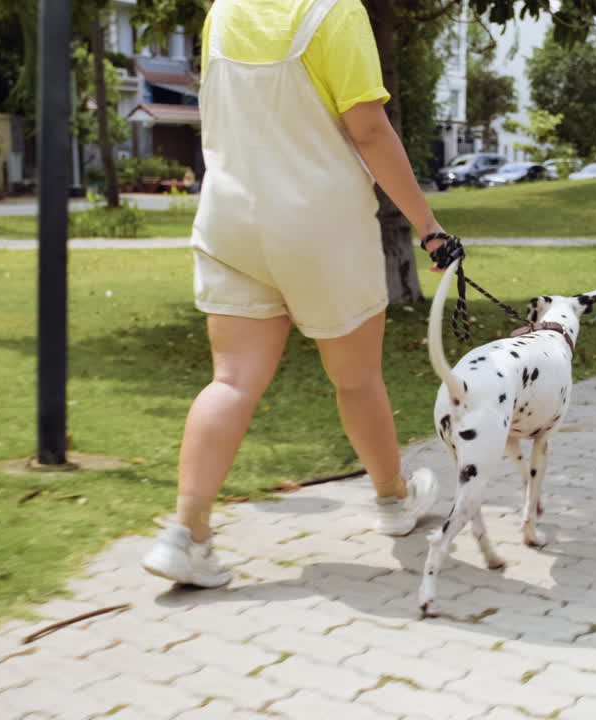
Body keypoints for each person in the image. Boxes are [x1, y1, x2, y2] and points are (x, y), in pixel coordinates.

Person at [142, 0, 455, 587]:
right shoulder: (335, 12)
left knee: (231, 381)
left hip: (232, 219)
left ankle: (185, 534)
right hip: (321, 226)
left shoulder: (223, 12)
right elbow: (368, 129)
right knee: (356, 378)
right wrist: (428, 226)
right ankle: (392, 501)